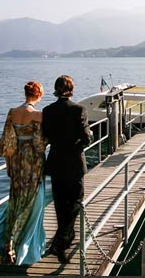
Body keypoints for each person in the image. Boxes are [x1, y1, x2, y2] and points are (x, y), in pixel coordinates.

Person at [0, 81, 47, 265]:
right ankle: (22, 245)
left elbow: (7, 143)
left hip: (15, 163)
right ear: (38, 95)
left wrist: (8, 165)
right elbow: (39, 144)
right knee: (32, 203)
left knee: (15, 201)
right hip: (33, 165)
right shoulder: (38, 115)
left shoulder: (12, 112)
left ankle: (9, 241)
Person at [41, 75, 93, 264]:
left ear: (55, 89)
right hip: (74, 164)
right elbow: (87, 138)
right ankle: (61, 242)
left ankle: (64, 238)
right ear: (71, 89)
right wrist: (77, 144)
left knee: (60, 203)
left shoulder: (47, 111)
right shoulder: (79, 109)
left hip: (55, 163)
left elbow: (46, 135)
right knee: (76, 201)